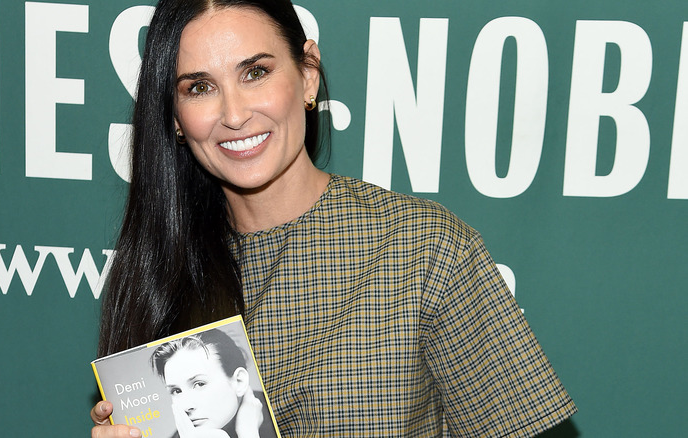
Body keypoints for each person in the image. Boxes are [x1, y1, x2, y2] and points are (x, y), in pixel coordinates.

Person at [91, 0, 577, 437]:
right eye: (200, 87)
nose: (234, 114)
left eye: (255, 73)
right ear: (175, 116)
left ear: (307, 75)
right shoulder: (160, 273)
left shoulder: (423, 249)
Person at [150, 329, 278, 438]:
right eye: (176, 391)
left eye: (199, 384)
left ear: (239, 381)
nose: (186, 406)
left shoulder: (279, 412)